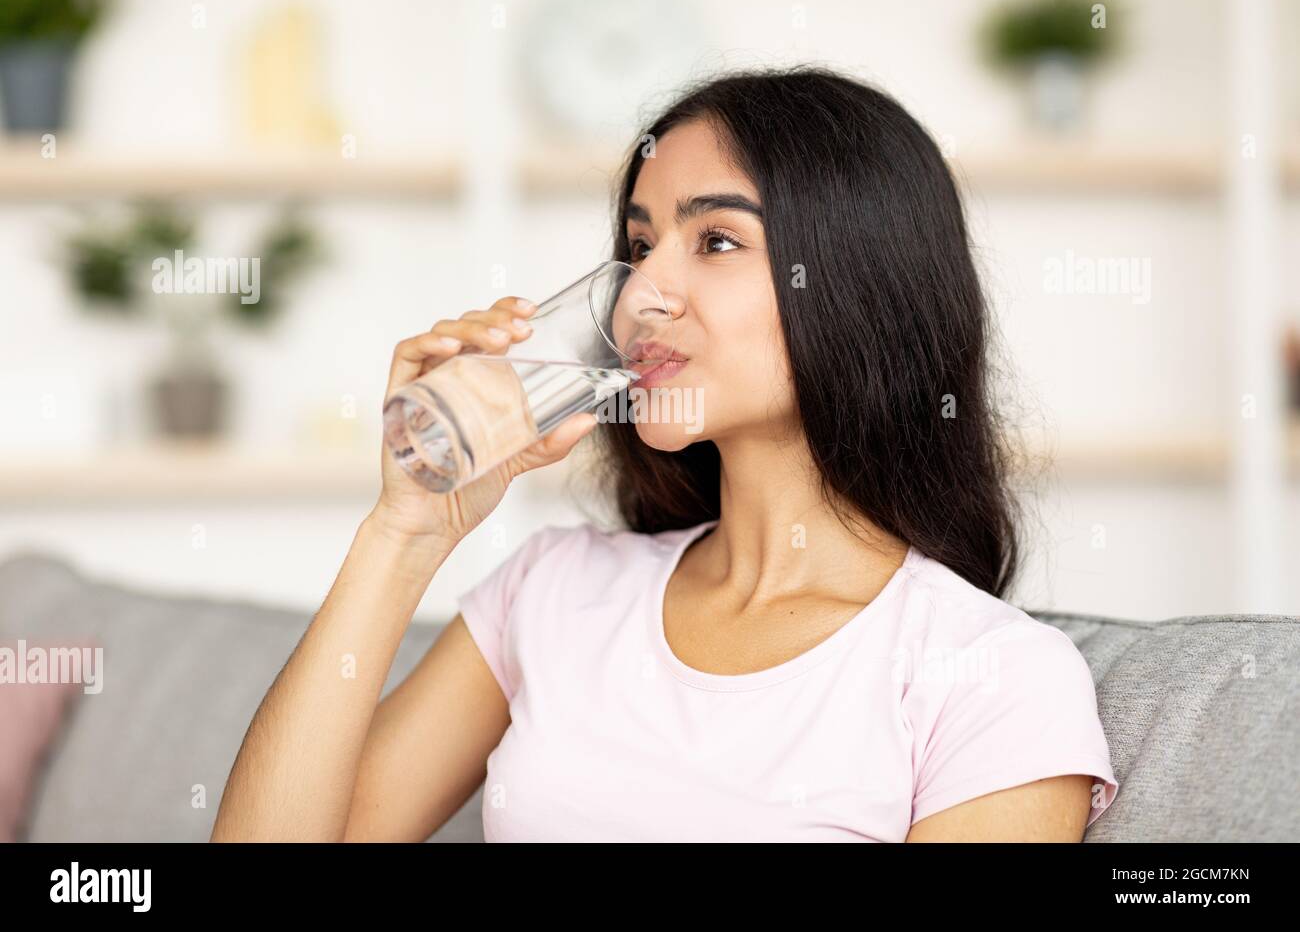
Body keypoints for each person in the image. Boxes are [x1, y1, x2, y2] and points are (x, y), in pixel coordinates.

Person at [211, 65, 1118, 842]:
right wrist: (404, 530)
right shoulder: (557, 588)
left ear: (862, 283)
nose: (642, 293)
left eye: (716, 240)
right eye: (639, 246)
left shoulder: (991, 673)